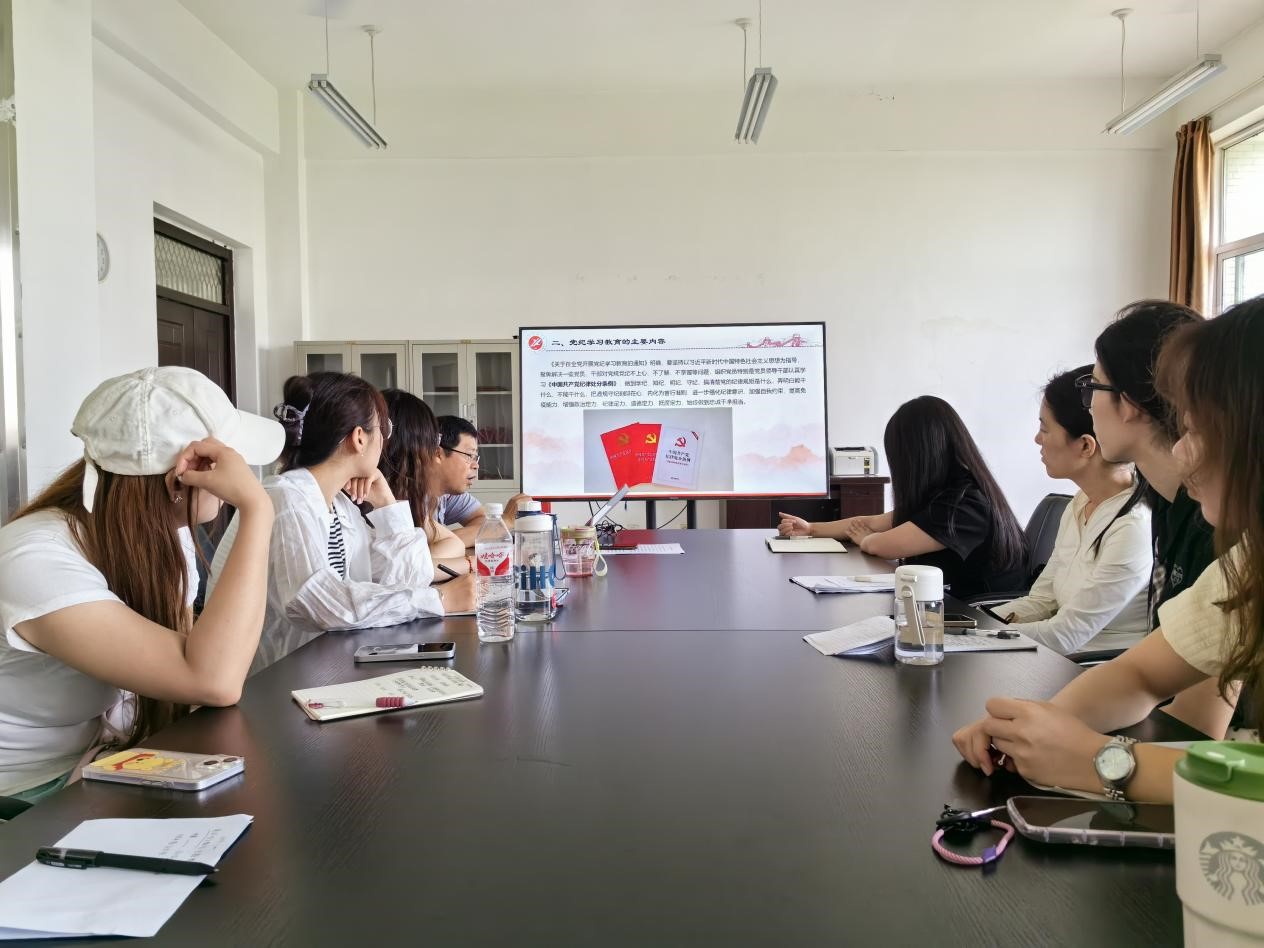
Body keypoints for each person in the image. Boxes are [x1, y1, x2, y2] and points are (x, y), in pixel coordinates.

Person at [951, 295, 1264, 804]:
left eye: (1198, 428)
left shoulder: (1169, 522)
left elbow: (1212, 737)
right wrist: (1036, 728)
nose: (1182, 450)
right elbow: (1141, 672)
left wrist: (1102, 761)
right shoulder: (1248, 563)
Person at [0, 367, 282, 801]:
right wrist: (257, 510)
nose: (241, 476)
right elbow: (212, 679)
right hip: (28, 795)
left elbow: (197, 663)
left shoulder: (161, 534)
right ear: (180, 480)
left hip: (100, 762)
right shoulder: (34, 560)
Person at [209, 372, 475, 674]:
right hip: (270, 684)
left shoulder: (340, 504)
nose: (385, 442)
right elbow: (318, 603)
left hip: (322, 672)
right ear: (359, 437)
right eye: (384, 429)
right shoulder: (287, 498)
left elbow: (405, 580)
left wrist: (388, 504)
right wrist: (440, 599)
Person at [1078, 300, 1229, 735]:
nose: (1088, 406)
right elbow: (1143, 676)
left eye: (1093, 387)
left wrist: (1097, 756)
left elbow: (1201, 727)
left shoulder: (1220, 526)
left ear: (1129, 403)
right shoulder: (1165, 501)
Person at [778, 396, 1026, 598]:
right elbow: (871, 522)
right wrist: (811, 528)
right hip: (945, 605)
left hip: (977, 614)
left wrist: (866, 540)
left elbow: (881, 545)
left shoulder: (964, 503)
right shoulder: (943, 492)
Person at [993, 366, 1151, 655]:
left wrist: (981, 635)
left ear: (1086, 446)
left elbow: (1065, 634)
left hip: (1094, 666)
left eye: (1044, 429)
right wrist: (967, 625)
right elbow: (1042, 600)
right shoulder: (1080, 504)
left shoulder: (1132, 526)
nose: (1037, 439)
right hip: (1056, 658)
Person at [378, 389, 468, 569]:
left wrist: (422, 565)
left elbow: (454, 544)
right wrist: (468, 564)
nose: (435, 452)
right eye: (433, 441)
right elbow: (403, 571)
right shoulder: (369, 497)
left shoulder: (405, 493)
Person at [435, 415, 529, 547]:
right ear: (438, 454)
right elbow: (431, 547)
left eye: (475, 457)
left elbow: (483, 521)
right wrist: (506, 521)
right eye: (469, 455)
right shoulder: (411, 498)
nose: (476, 465)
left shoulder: (447, 494)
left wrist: (452, 540)